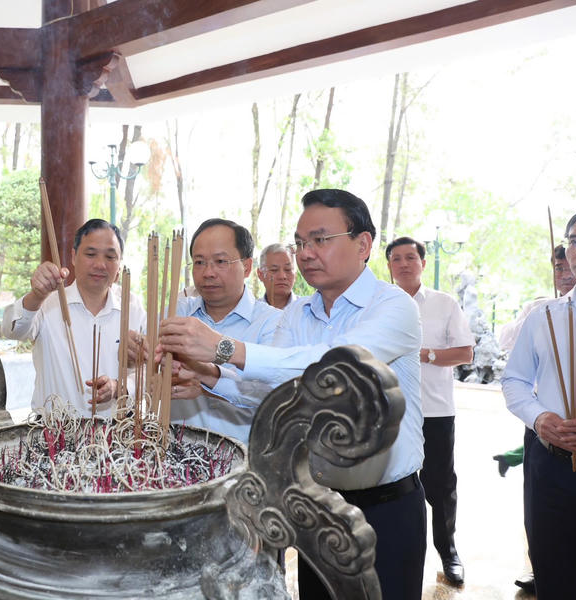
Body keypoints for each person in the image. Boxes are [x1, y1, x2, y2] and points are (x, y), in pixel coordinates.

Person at [160, 189, 425, 600]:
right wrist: (210, 378)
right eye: (301, 243)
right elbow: (278, 395)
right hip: (315, 507)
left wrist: (223, 349)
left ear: (363, 244)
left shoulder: (393, 307)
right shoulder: (298, 314)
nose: (305, 254)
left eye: (320, 240)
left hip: (386, 508)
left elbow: (332, 367)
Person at [502, 207, 576, 599]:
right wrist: (539, 419)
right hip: (552, 471)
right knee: (557, 584)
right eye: (575, 241)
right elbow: (514, 381)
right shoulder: (544, 317)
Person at [386, 236, 474, 586]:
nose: (404, 264)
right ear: (389, 266)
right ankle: (397, 552)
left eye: (410, 257)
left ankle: (448, 550)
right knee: (391, 483)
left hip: (435, 411)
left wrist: (426, 355)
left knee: (439, 485)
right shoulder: (379, 304)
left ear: (422, 262)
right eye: (396, 258)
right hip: (389, 411)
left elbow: (466, 353)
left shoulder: (444, 303)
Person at [2, 219, 146, 418]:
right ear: (73, 256)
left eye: (110, 257)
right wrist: (36, 295)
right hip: (55, 435)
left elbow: (151, 372)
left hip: (116, 436)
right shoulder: (48, 302)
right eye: (90, 254)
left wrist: (119, 387)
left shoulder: (133, 307)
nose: (100, 264)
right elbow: (12, 330)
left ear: (119, 265)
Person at [167, 219, 282, 444]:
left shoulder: (272, 323)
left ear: (247, 267)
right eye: (199, 262)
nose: (208, 272)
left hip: (243, 462)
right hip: (178, 457)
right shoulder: (176, 314)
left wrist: (206, 379)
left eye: (220, 261)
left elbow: (272, 393)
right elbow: (145, 367)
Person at [255, 242, 298, 309]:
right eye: (274, 270)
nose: (282, 276)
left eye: (288, 269)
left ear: (295, 275)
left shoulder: (307, 310)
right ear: (260, 274)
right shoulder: (252, 312)